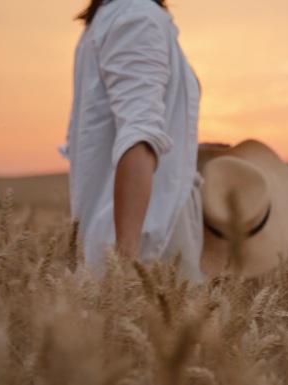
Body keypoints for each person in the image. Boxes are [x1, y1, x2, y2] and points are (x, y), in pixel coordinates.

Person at [61, 0, 204, 281]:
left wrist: (187, 145)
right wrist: (125, 264)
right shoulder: (136, 16)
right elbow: (138, 135)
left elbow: (129, 126)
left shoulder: (113, 15)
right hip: (151, 240)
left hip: (137, 232)